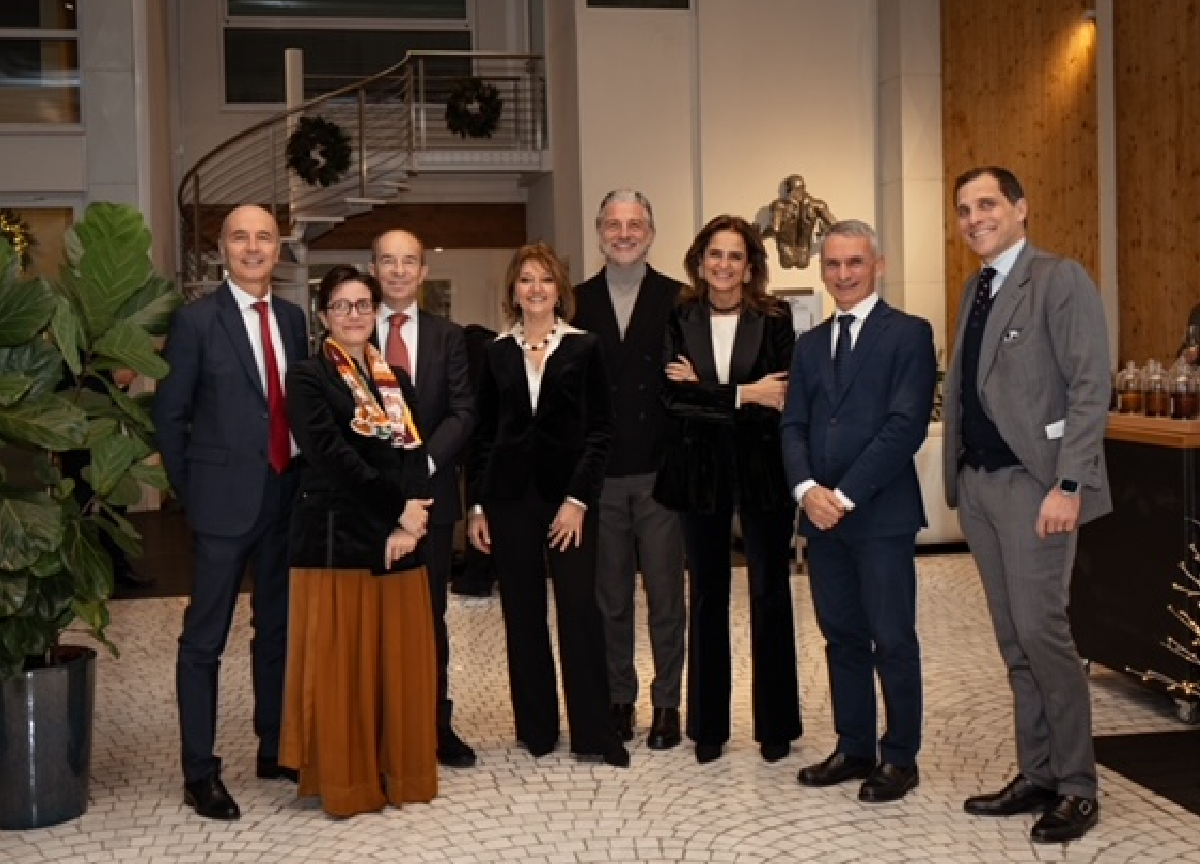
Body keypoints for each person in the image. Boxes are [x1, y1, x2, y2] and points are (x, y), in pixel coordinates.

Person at [944, 166, 1111, 843]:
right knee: (1013, 638)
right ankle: (1037, 771)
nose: (974, 218)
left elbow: (1089, 386)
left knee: (1043, 634)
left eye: (987, 204)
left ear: (1020, 208)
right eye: (963, 209)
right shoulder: (976, 287)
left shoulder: (1058, 279)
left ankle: (1077, 786)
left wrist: (1069, 485)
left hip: (1035, 486)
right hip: (980, 487)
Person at [154, 204, 309, 821]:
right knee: (204, 640)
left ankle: (274, 746)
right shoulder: (195, 322)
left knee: (276, 629)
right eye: (240, 238)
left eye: (264, 238)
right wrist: (192, 496)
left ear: (278, 250)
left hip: (284, 496)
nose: (252, 248)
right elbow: (169, 417)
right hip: (220, 505)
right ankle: (200, 772)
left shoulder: (294, 320)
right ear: (222, 249)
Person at [780, 220, 936, 803]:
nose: (843, 274)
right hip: (820, 519)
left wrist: (842, 496)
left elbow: (905, 426)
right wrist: (806, 490)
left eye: (855, 263)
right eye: (833, 264)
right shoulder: (809, 344)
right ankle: (854, 747)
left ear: (879, 265)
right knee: (841, 634)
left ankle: (899, 757)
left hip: (879, 516)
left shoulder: (909, 334)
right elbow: (793, 425)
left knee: (891, 637)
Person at [279, 266, 437, 817]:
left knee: (396, 665)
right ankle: (347, 782)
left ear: (376, 312)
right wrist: (398, 511)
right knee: (342, 668)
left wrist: (409, 523)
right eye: (341, 306)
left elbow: (414, 452)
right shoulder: (307, 377)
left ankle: (398, 772)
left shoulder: (395, 378)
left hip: (398, 541)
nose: (353, 315)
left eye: (363, 305)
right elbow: (329, 455)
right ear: (324, 315)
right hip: (335, 541)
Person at [465, 243, 629, 768]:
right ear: (513, 291)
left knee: (579, 610)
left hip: (569, 501)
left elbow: (601, 432)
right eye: (526, 280)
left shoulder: (585, 347)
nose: (535, 289)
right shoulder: (495, 353)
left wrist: (578, 500)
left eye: (545, 279)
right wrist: (477, 507)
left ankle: (594, 733)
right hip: (509, 501)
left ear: (560, 290)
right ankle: (536, 729)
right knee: (522, 613)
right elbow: (483, 437)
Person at [655, 214, 802, 765]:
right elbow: (675, 401)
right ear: (700, 261)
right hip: (700, 475)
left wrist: (709, 391)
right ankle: (708, 727)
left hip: (764, 473)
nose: (723, 265)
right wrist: (744, 395)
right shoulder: (680, 317)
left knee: (771, 593)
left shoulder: (776, 318)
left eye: (734, 256)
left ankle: (777, 726)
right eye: (714, 254)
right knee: (708, 595)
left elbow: (781, 396)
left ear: (749, 265)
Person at [572, 189, 686, 749]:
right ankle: (619, 698)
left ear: (651, 232)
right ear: (599, 232)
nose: (624, 234)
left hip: (661, 474)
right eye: (613, 225)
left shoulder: (680, 299)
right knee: (610, 599)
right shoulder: (575, 303)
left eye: (634, 224)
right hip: (601, 478)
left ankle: (668, 704)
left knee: (666, 598)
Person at [370, 229, 477, 768]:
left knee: (429, 617)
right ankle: (377, 728)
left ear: (423, 271)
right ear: (373, 268)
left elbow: (463, 411)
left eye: (408, 261)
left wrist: (421, 466)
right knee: (373, 618)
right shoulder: (350, 332)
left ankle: (436, 723)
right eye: (388, 261)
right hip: (368, 501)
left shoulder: (447, 337)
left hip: (432, 501)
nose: (398, 271)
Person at [450, 323, 500, 598]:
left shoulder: (461, 347)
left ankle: (477, 574)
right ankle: (481, 572)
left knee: (475, 500)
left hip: (468, 430)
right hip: (489, 434)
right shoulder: (488, 347)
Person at [761, 174, 837, 269]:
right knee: (788, 263)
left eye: (801, 188)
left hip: (800, 247)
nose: (800, 192)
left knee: (799, 263)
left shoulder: (817, 205)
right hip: (790, 247)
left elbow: (835, 225)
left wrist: (824, 232)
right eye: (797, 189)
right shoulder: (781, 206)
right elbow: (775, 228)